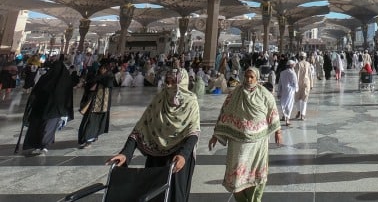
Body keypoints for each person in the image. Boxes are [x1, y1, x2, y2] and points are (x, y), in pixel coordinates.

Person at [108, 66, 200, 202]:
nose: (168, 86)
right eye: (167, 82)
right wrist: (126, 153)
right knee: (154, 195)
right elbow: (141, 127)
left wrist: (184, 155)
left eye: (173, 82)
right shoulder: (159, 100)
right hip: (156, 156)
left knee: (175, 196)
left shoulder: (190, 102)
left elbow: (193, 132)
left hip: (178, 159)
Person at [209, 67, 282, 201]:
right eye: (247, 76)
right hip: (238, 143)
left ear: (256, 78)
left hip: (258, 143)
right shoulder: (236, 93)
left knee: (256, 174)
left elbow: (273, 111)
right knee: (237, 177)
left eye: (251, 77)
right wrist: (215, 135)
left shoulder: (264, 93)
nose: (248, 79)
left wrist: (278, 132)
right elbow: (224, 112)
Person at [22, 57, 74, 156]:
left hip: (54, 110)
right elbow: (36, 91)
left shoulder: (62, 80)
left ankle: (43, 146)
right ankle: (37, 146)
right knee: (38, 127)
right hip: (44, 108)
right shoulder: (48, 78)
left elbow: (66, 97)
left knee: (47, 128)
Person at [78, 63, 114, 148]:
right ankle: (87, 138)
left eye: (102, 69)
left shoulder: (108, 77)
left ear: (105, 69)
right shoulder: (98, 77)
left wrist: (98, 79)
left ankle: (89, 140)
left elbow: (107, 84)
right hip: (94, 104)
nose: (101, 70)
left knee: (93, 123)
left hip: (101, 106)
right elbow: (90, 86)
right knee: (89, 122)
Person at [278, 60, 298, 126]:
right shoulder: (292, 73)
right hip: (290, 91)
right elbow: (295, 83)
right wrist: (296, 90)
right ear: (291, 65)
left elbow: (279, 84)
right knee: (289, 105)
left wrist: (279, 92)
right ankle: (287, 119)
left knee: (283, 104)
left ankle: (284, 116)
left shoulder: (282, 73)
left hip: (283, 90)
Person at [294, 52, 313, 121]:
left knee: (297, 98)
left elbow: (297, 74)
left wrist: (295, 84)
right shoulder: (308, 64)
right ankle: (302, 114)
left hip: (299, 83)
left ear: (299, 57)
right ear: (305, 57)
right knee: (304, 99)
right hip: (307, 83)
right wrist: (311, 84)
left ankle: (300, 112)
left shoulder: (298, 64)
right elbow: (310, 75)